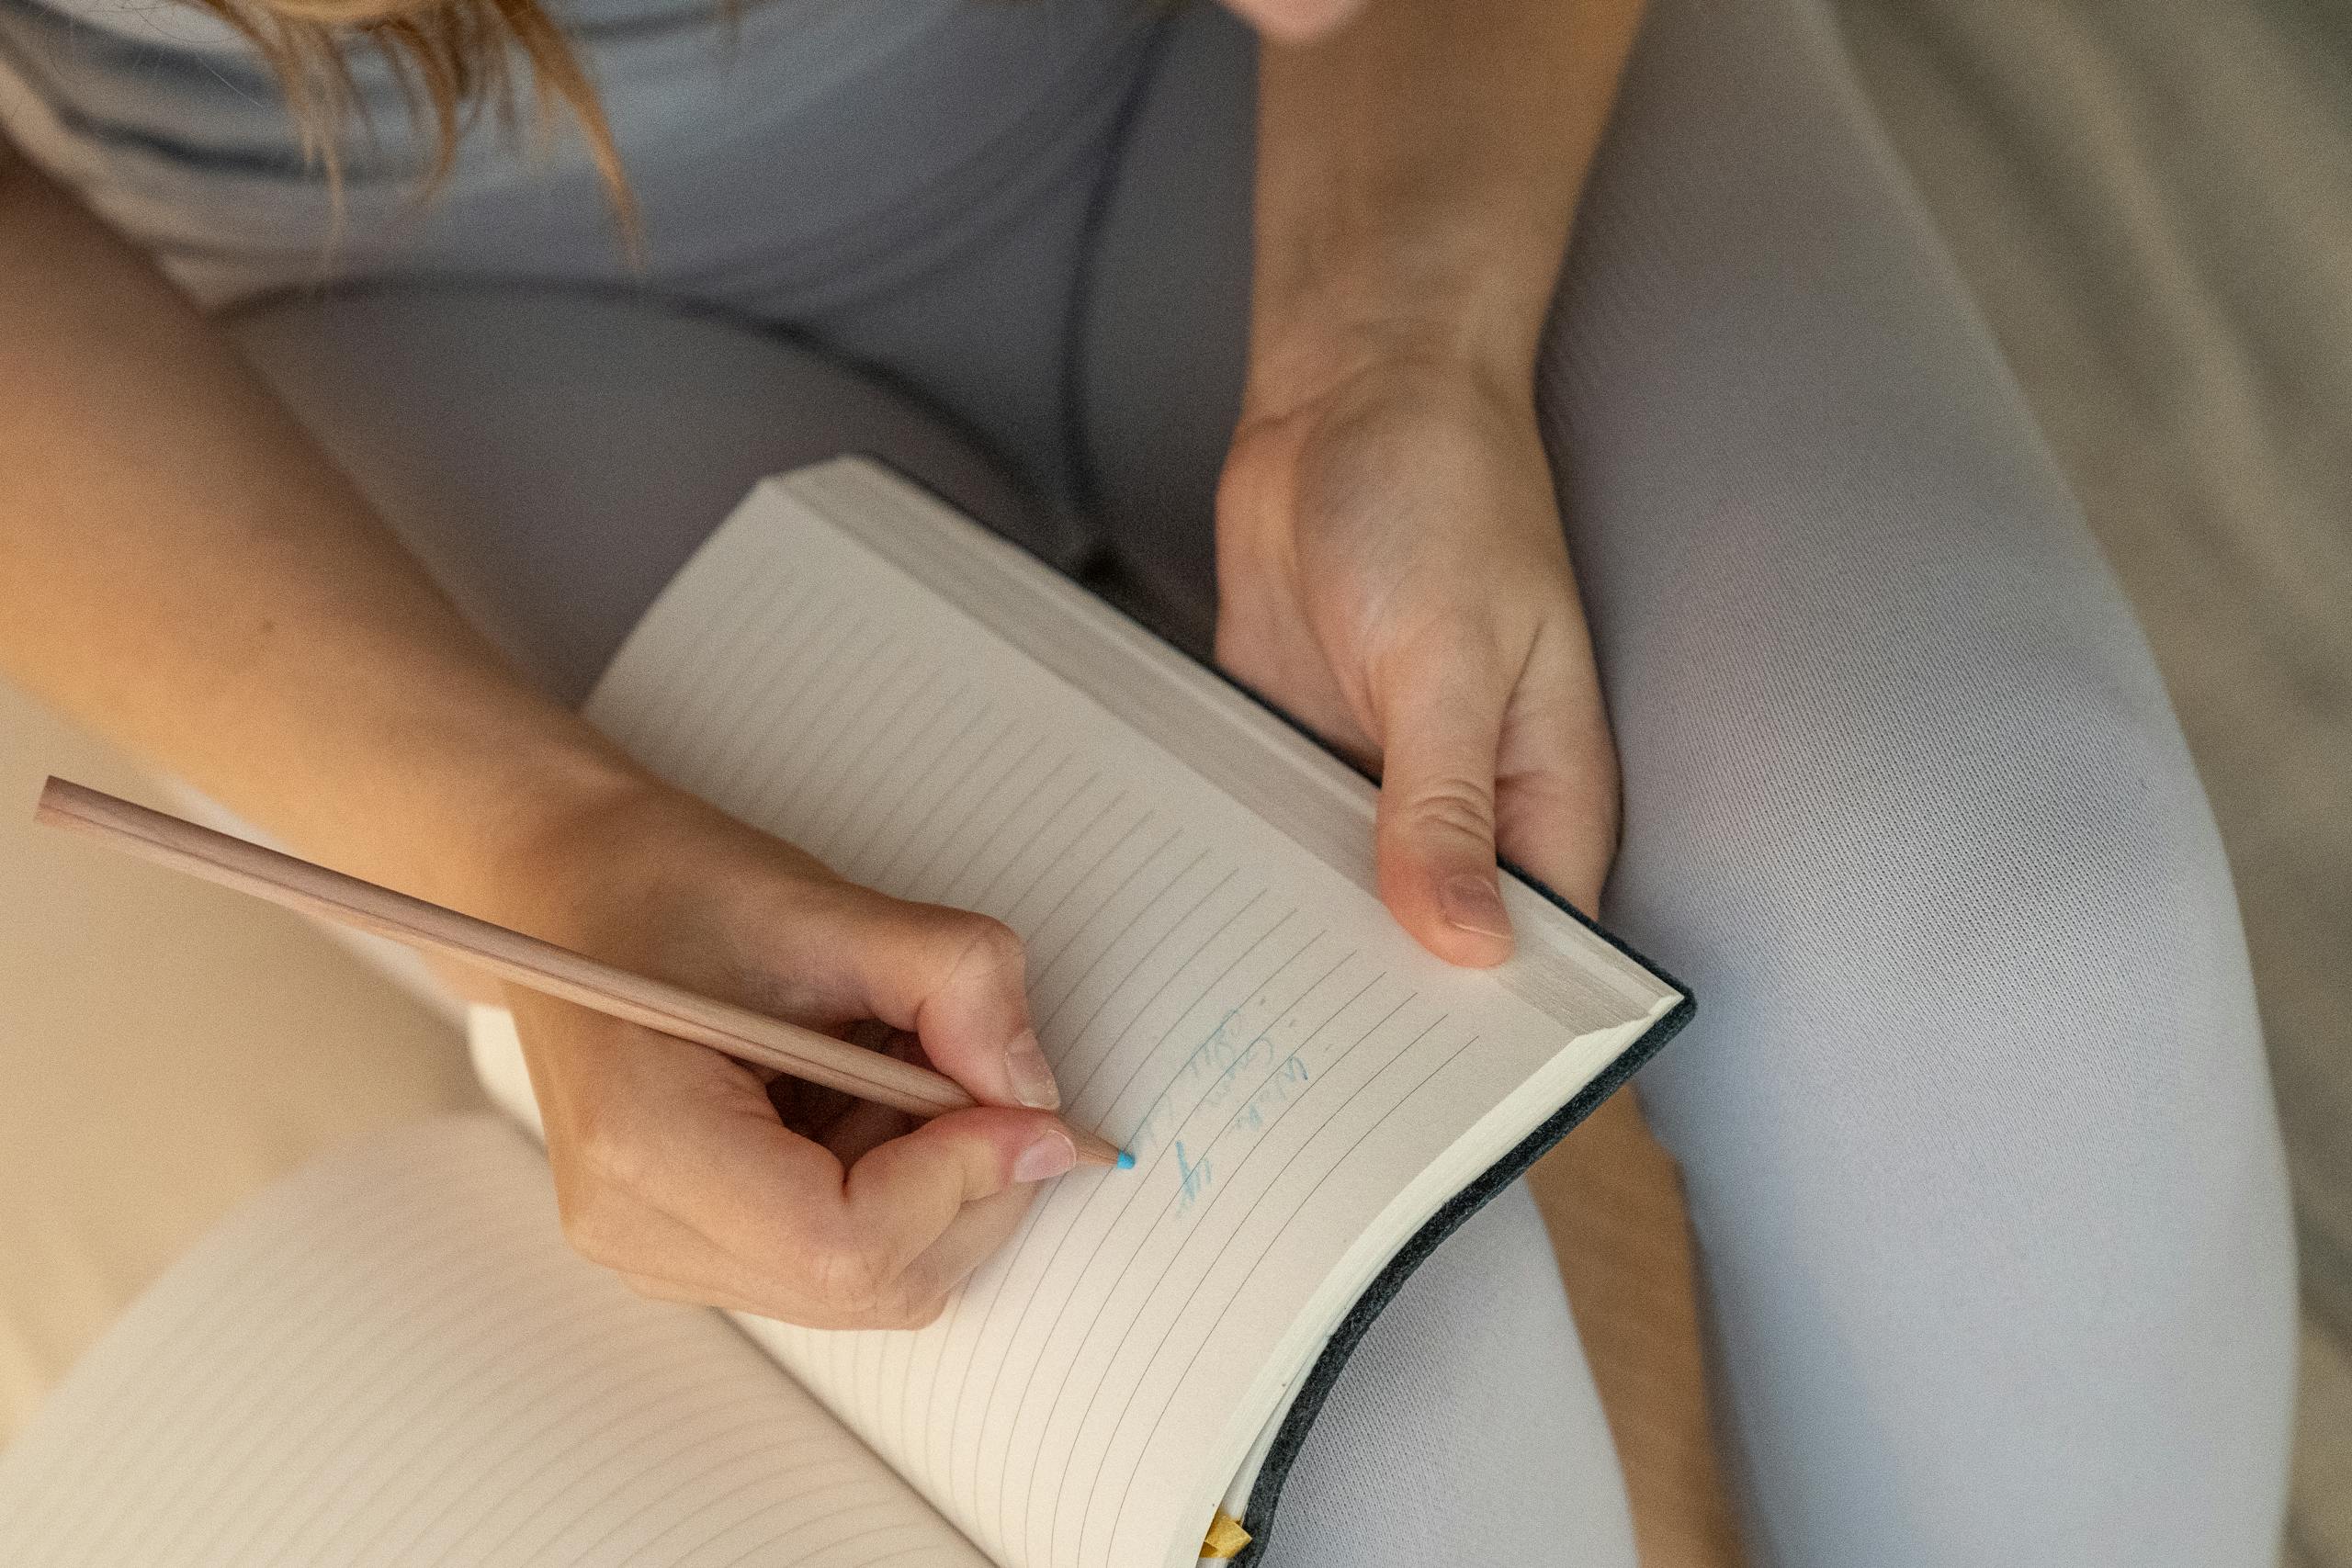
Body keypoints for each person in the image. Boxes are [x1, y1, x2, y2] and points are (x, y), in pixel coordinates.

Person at [0, 0, 2298, 1560]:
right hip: (411, 297)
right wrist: (538, 849)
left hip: (1290, 74)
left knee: (2013, 953)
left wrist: (1400, 334)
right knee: (1336, 1430)